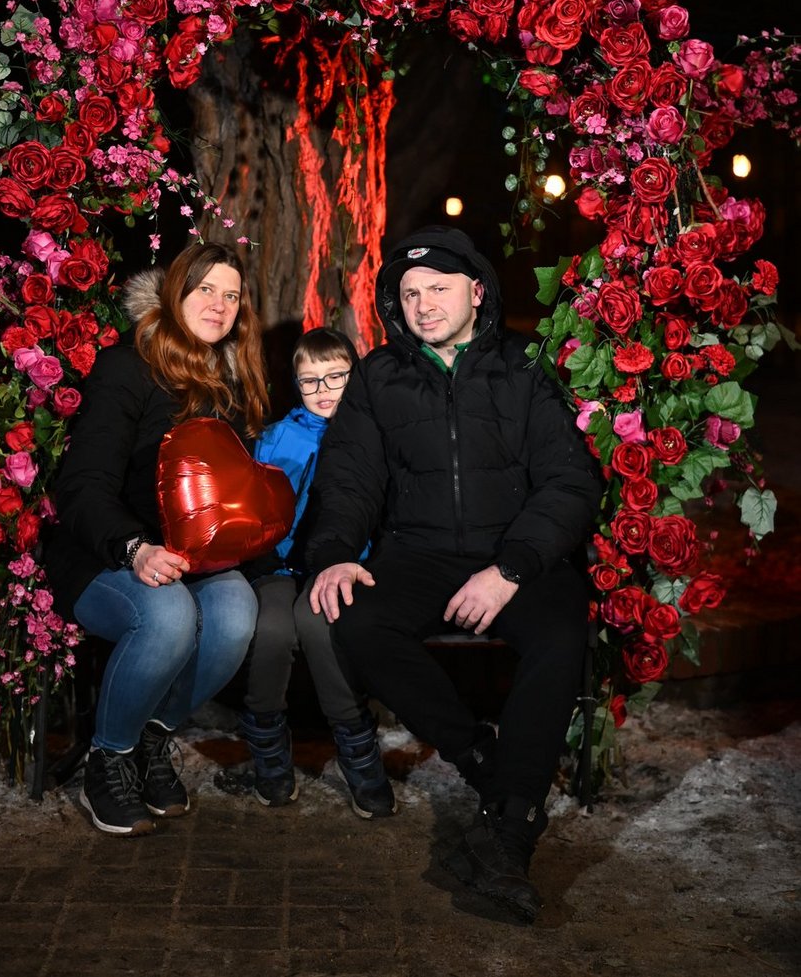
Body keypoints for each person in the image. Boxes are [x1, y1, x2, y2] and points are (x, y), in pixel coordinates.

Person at [307, 225, 600, 921]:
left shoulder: (524, 365)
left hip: (515, 553)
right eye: (409, 294)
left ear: (476, 291)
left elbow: (569, 480)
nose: (423, 304)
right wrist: (336, 551)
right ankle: (479, 759)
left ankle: (512, 822)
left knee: (561, 633)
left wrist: (511, 567)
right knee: (357, 620)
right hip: (419, 551)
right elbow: (348, 478)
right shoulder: (379, 376)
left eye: (438, 288)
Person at [42, 241, 266, 837]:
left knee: (238, 611)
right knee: (169, 616)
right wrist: (135, 550)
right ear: (175, 294)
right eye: (206, 289)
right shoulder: (128, 367)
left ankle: (150, 738)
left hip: (191, 557)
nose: (219, 305)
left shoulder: (230, 382)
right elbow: (82, 487)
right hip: (107, 554)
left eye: (232, 295)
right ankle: (108, 759)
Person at [224, 327, 396, 818]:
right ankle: (268, 745)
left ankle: (357, 746)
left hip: (341, 566)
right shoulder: (278, 437)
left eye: (335, 377)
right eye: (310, 381)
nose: (323, 390)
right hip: (280, 565)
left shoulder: (370, 433)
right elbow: (252, 506)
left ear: (354, 377)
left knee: (319, 621)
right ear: (296, 384)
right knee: (273, 628)